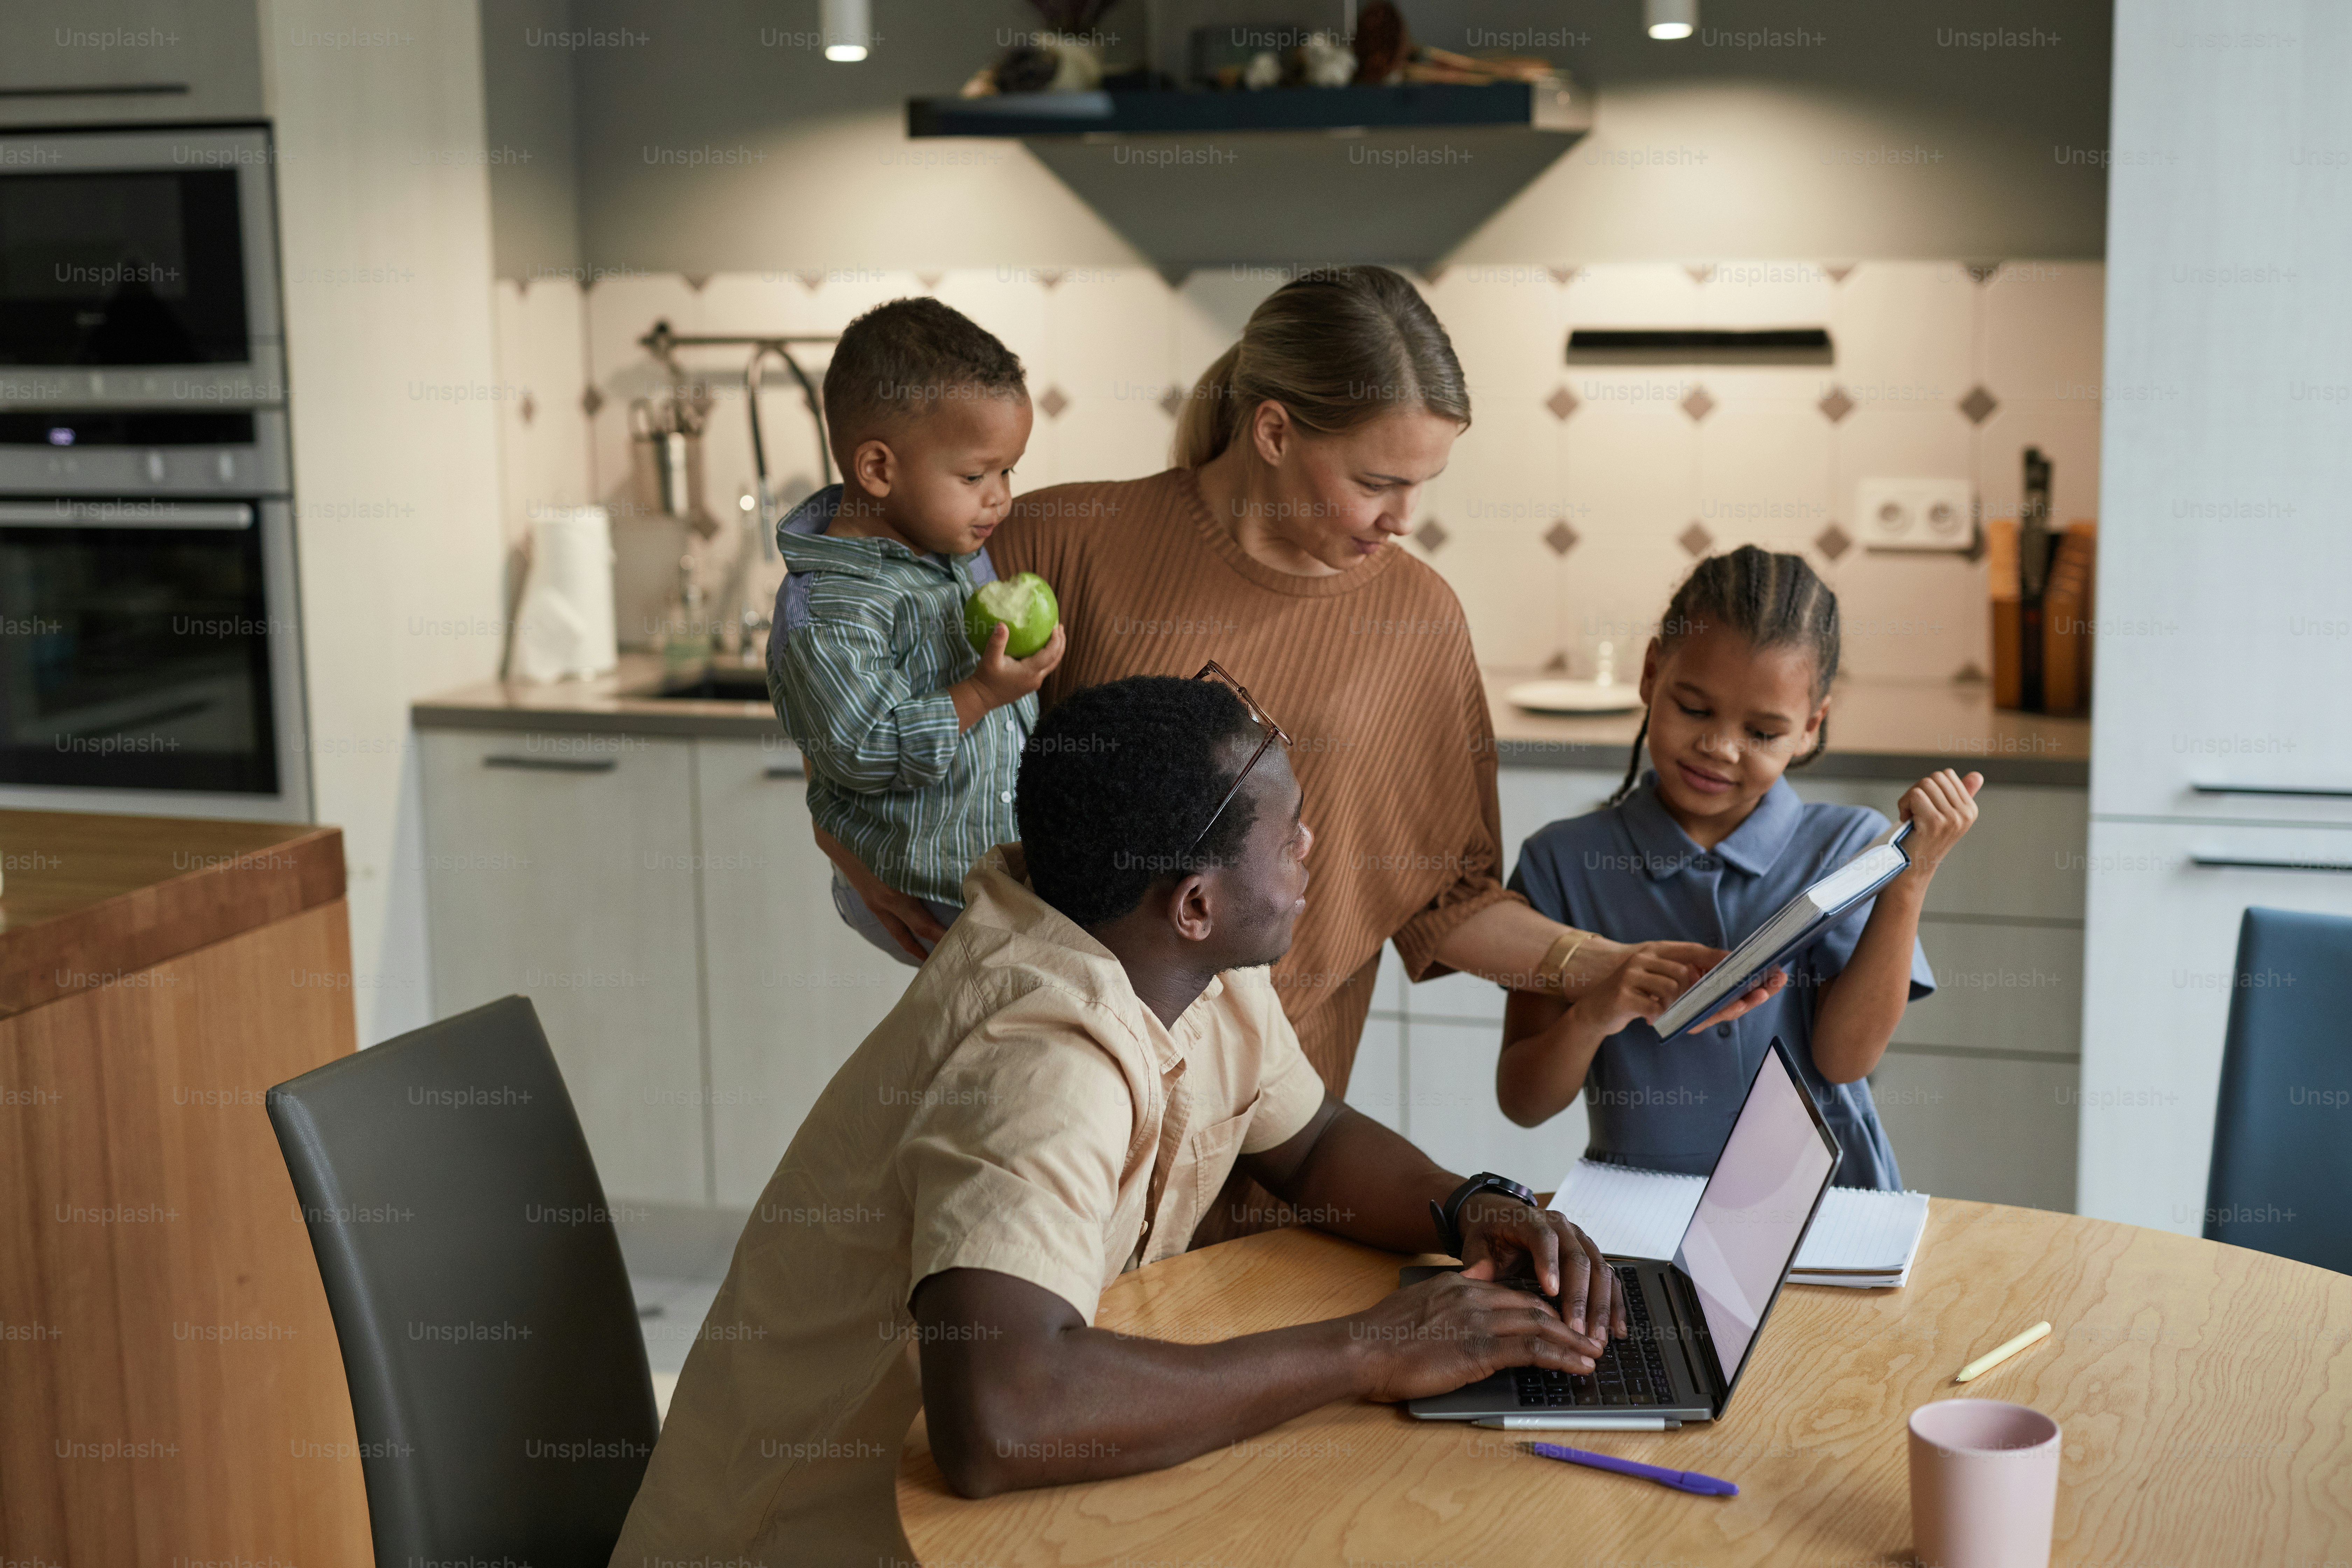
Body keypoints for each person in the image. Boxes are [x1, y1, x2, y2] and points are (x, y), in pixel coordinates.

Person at [820, 266, 1779, 1238]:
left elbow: (1440, 902)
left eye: (1421, 486)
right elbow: (862, 707)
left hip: (1278, 1141)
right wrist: (842, 840)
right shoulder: (1061, 541)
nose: (1403, 521)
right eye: (1376, 483)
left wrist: (1609, 967)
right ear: (1273, 432)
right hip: (1047, 1107)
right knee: (1014, 1365)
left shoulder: (1419, 621)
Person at [608, 673, 1627, 1567]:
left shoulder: (1178, 961)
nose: (1312, 847)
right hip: (807, 1539)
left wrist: (1471, 1206)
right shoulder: (1041, 1060)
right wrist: (1368, 1349)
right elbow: (1003, 1419)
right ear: (1195, 903)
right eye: (1288, 833)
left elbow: (1311, 1146)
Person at [1496, 547, 1984, 1189]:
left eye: (1762, 732)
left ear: (1810, 727)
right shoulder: (1560, 862)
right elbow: (1524, 1102)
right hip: (1644, 1212)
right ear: (1650, 674)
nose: (1719, 748)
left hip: (1829, 1205)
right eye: (1695, 710)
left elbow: (1844, 1061)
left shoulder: (1850, 848)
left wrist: (1910, 878)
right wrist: (1598, 1007)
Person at [765, 296, 1067, 965]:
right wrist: (983, 694)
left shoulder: (949, 541)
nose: (1001, 498)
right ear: (878, 470)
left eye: (1008, 470)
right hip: (927, 890)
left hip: (986, 874)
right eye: (975, 475)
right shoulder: (833, 612)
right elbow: (863, 748)